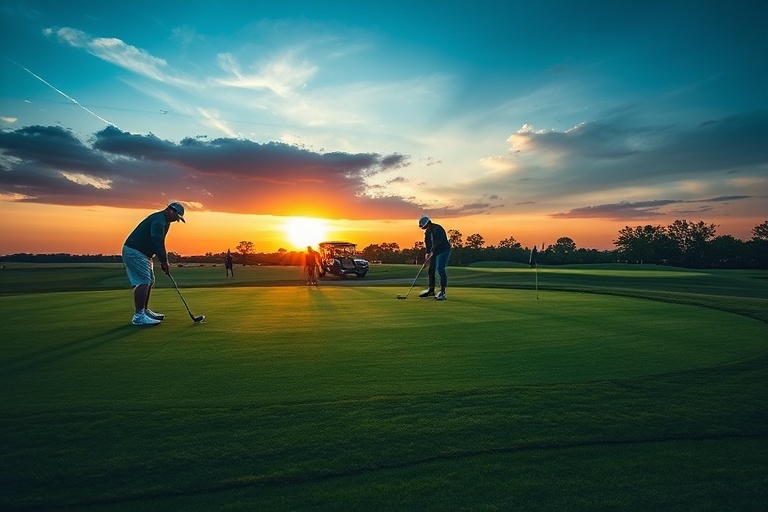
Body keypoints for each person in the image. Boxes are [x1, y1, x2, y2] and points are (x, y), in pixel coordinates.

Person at [122, 202, 186, 325]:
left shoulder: (164, 220)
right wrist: (164, 261)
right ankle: (139, 316)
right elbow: (157, 242)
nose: (176, 220)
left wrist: (162, 260)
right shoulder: (159, 221)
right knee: (144, 281)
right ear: (170, 210)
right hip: (135, 251)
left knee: (149, 280)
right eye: (176, 217)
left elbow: (158, 242)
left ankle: (144, 311)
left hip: (144, 253)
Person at [418, 215, 451, 300]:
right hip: (434, 252)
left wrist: (431, 251)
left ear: (427, 224)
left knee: (440, 269)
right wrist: (427, 253)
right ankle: (431, 290)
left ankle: (442, 292)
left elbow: (438, 242)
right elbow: (428, 243)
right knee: (431, 270)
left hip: (444, 250)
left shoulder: (437, 229)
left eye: (424, 227)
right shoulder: (428, 232)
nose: (424, 229)